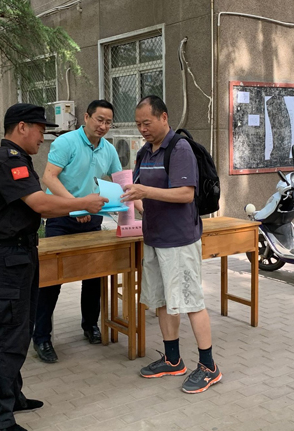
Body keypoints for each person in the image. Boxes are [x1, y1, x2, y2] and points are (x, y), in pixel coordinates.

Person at [0, 103, 107, 431]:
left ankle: (12, 398)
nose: (43, 137)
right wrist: (81, 203)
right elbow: (40, 204)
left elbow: (38, 206)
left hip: (21, 255)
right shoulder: (7, 161)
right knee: (6, 336)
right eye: (39, 129)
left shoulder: (20, 160)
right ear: (22, 127)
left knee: (20, 332)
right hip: (7, 259)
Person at [121, 95, 222, 394]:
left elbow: (185, 194)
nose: (142, 129)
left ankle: (209, 367)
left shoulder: (179, 148)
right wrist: (133, 200)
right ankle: (173, 359)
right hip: (154, 238)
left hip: (179, 241)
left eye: (147, 123)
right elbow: (141, 193)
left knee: (191, 302)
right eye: (138, 124)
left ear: (164, 117)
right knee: (163, 301)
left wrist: (145, 192)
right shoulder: (144, 152)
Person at [34, 100, 123, 363]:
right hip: (61, 217)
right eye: (99, 120)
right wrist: (76, 205)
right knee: (51, 279)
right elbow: (49, 177)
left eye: (108, 122)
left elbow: (121, 182)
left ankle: (90, 325)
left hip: (91, 218)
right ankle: (41, 337)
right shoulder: (66, 142)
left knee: (94, 275)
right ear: (86, 117)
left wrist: (137, 206)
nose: (103, 126)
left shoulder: (108, 149)